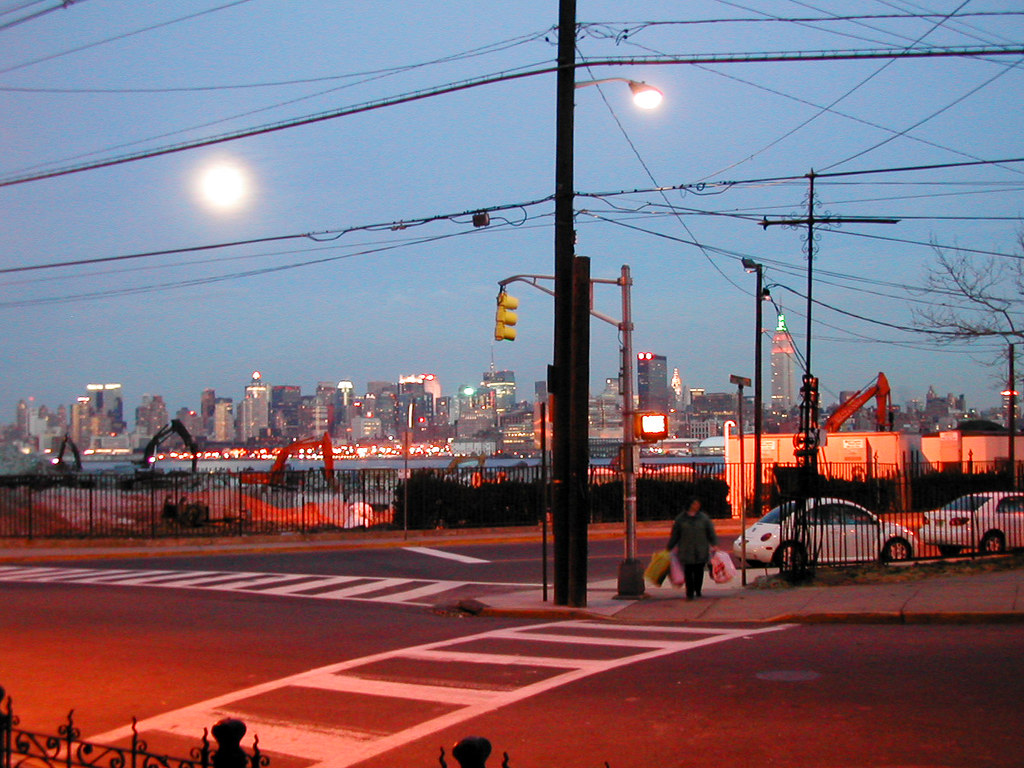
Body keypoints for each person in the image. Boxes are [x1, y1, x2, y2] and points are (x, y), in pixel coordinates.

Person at [666, 496, 718, 600]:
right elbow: (675, 534)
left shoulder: (703, 518)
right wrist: (669, 547)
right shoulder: (681, 519)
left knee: (699, 571)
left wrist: (714, 543)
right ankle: (689, 592)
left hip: (701, 549)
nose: (697, 506)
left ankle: (697, 590)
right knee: (688, 571)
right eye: (695, 504)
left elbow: (710, 532)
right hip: (686, 549)